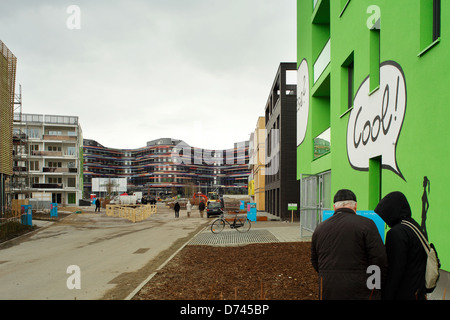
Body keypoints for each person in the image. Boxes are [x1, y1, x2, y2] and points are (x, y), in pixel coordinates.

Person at [311, 189, 387, 300]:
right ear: (355, 206)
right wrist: (376, 284)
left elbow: (314, 260)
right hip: (361, 288)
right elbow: (379, 259)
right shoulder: (367, 224)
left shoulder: (320, 228)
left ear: (334, 207)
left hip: (328, 288)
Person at [374, 191, 428, 300]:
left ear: (391, 212)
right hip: (418, 291)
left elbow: (395, 270)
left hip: (404, 292)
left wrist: (386, 295)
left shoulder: (396, 233)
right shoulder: (414, 226)